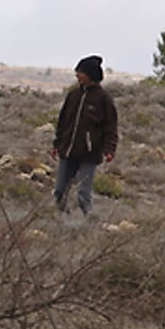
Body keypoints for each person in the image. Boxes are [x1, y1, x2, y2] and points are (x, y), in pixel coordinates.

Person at [52, 55, 119, 216]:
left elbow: (111, 127)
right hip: (67, 151)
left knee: (84, 194)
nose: (77, 75)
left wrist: (109, 149)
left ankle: (90, 224)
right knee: (60, 192)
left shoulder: (104, 99)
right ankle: (62, 222)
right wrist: (57, 145)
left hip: (89, 154)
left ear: (91, 74)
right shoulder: (73, 96)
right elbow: (62, 123)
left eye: (81, 72)